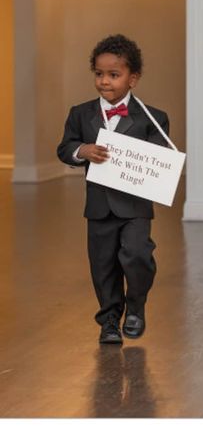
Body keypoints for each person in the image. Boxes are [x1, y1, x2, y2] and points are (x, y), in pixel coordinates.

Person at [57, 34, 169, 345]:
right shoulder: (81, 113)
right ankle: (108, 319)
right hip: (98, 206)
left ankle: (135, 306)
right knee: (103, 264)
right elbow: (64, 148)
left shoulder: (153, 119)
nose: (105, 81)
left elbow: (157, 161)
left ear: (133, 79)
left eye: (114, 75)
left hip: (134, 206)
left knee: (137, 256)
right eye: (99, 74)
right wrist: (82, 151)